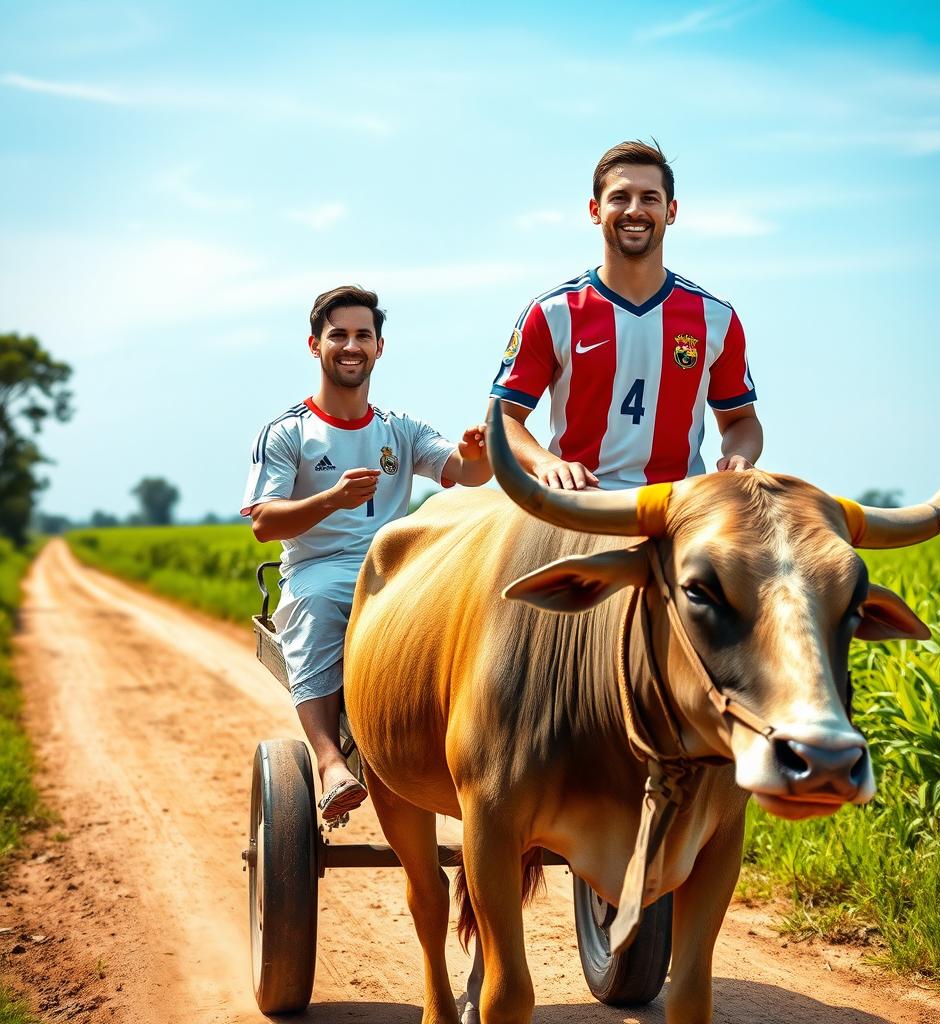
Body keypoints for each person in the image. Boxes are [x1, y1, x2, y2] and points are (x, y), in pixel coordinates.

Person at [241, 285, 491, 823]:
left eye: (363, 335)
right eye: (339, 335)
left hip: (396, 570)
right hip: (321, 572)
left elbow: (468, 474)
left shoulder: (398, 429)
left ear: (380, 347)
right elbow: (263, 522)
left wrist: (477, 455)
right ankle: (330, 762)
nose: (351, 345)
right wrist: (332, 499)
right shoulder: (290, 433)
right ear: (315, 345)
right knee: (315, 604)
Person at [490, 139, 763, 488]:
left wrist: (741, 456)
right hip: (579, 503)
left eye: (650, 198)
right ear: (595, 210)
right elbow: (502, 418)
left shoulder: (715, 317)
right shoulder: (552, 312)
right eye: (620, 197)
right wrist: (546, 464)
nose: (635, 210)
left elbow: (741, 420)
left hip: (681, 507)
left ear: (671, 211)